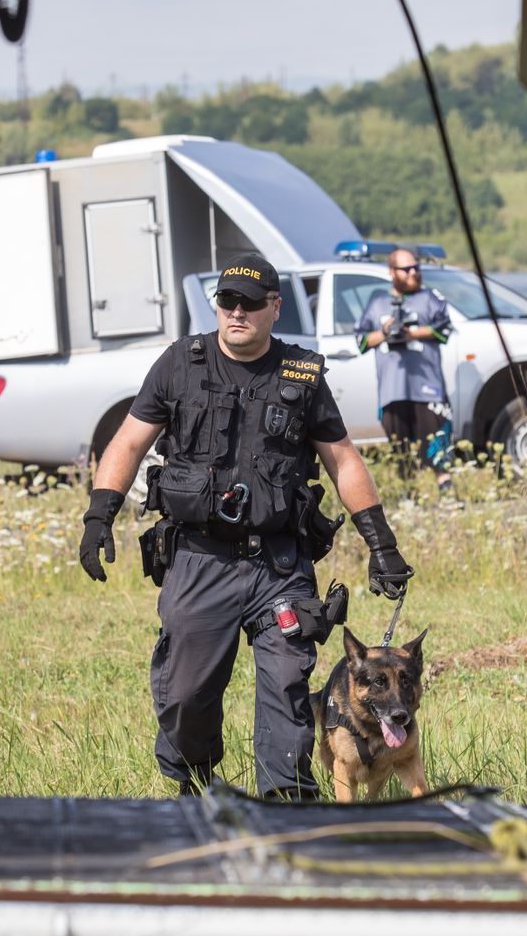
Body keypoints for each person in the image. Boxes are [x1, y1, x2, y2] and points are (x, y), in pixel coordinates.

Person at [79, 257, 414, 798]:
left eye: (251, 302)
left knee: (287, 688)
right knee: (185, 695)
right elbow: (128, 441)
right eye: (227, 300)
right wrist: (100, 514)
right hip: (198, 558)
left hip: (278, 566)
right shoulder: (180, 364)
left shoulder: (301, 375)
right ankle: (197, 786)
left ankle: (284, 807)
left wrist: (381, 542)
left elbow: (342, 459)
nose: (236, 311)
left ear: (274, 308)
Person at [353, 248, 456, 492]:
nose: (413, 272)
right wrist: (387, 331)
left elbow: (444, 330)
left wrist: (411, 332)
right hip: (393, 390)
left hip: (427, 389)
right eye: (407, 269)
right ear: (392, 272)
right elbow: (362, 341)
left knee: (436, 445)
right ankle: (409, 495)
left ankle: (446, 491)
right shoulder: (377, 303)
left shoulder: (430, 298)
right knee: (401, 451)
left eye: (416, 268)